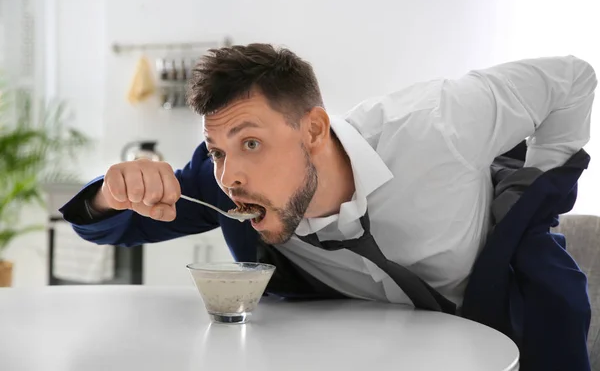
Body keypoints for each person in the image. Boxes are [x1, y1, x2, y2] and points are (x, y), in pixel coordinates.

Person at [59, 43, 597, 311]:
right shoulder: (227, 185)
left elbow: (572, 79)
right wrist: (114, 193)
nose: (231, 175)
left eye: (251, 143)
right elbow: (106, 227)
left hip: (513, 318)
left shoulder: (440, 124)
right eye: (217, 150)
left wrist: (535, 201)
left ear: (313, 128)